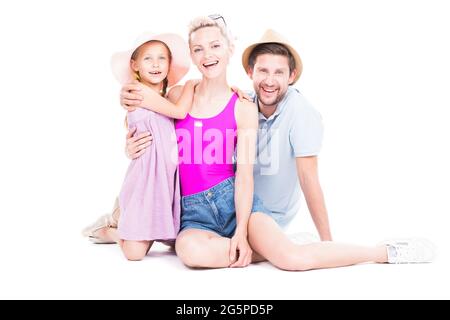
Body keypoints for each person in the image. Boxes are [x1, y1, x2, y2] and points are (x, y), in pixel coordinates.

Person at [123, 21, 436, 269]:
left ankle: (384, 252)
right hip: (192, 212)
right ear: (191, 56)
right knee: (190, 253)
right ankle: (279, 244)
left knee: (292, 261)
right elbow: (149, 124)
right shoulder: (179, 94)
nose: (208, 55)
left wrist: (242, 231)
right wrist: (129, 142)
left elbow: (244, 175)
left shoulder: (242, 105)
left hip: (233, 201)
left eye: (215, 46)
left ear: (230, 49)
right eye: (199, 49)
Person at [83, 32, 199, 261]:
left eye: (162, 58)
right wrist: (192, 84)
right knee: (134, 254)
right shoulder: (137, 91)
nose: (156, 64)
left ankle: (136, 225)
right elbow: (179, 112)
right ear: (135, 65)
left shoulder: (163, 97)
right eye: (148, 58)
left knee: (172, 242)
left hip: (164, 179)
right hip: (145, 178)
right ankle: (111, 231)